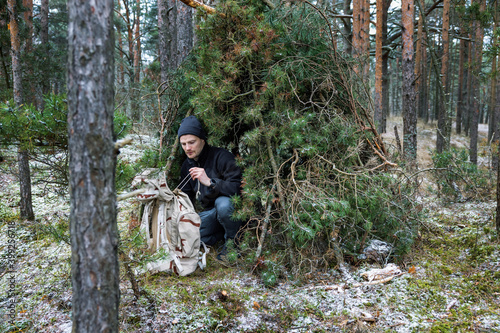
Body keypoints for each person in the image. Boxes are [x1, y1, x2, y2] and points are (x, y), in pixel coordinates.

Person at [177, 115, 243, 259]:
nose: (187, 148)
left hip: (233, 211)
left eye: (192, 142)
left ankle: (234, 244)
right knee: (188, 236)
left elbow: (239, 188)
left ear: (202, 140)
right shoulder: (187, 165)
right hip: (211, 214)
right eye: (183, 144)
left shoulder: (222, 157)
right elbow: (185, 198)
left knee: (223, 204)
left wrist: (210, 182)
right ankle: (220, 235)